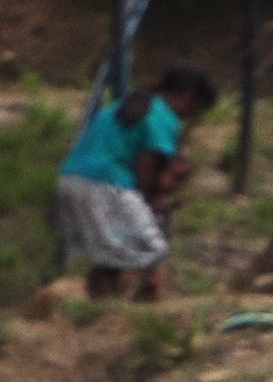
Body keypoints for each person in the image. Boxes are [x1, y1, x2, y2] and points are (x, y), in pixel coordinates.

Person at [59, 64, 219, 301]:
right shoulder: (163, 116)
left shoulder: (125, 106)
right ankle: (137, 300)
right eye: (195, 111)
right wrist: (151, 199)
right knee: (151, 248)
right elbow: (148, 164)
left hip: (72, 180)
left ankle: (101, 299)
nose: (188, 118)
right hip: (106, 184)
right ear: (189, 98)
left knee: (114, 251)